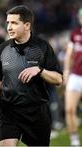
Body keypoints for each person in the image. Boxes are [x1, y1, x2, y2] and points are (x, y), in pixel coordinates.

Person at [0, 5, 63, 146]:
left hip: (36, 112)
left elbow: (58, 79)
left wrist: (40, 70)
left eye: (14, 23)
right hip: (8, 111)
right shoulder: (3, 48)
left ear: (27, 25)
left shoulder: (43, 47)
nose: (9, 27)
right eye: (8, 22)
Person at [63, 7, 82, 147]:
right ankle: (74, 140)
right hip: (76, 75)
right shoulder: (75, 33)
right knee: (69, 109)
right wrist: (66, 71)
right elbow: (69, 55)